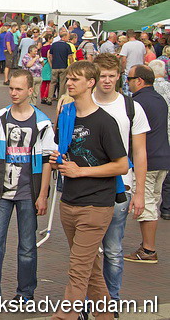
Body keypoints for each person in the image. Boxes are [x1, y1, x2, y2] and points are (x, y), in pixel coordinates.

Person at [49, 61, 128, 320]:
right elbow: (66, 154)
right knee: (91, 270)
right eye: (69, 78)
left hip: (96, 205)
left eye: (76, 79)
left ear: (90, 83)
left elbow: (121, 165)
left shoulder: (105, 122)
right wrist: (58, 161)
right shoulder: (66, 115)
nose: (69, 83)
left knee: (78, 270)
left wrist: (80, 171)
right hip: (69, 202)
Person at [0, 69, 56, 304]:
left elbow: (47, 161)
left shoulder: (42, 122)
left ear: (30, 90)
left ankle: (25, 293)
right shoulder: (0, 117)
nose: (13, 93)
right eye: (11, 88)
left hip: (28, 192)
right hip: (1, 191)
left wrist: (43, 194)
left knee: (27, 246)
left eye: (19, 89)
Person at [90, 53, 149, 303]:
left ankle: (111, 300)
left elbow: (140, 152)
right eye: (102, 76)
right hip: (87, 186)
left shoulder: (131, 108)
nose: (106, 80)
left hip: (119, 186)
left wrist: (140, 192)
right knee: (87, 251)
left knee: (113, 249)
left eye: (111, 76)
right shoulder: (82, 103)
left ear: (118, 77)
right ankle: (87, 299)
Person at [124, 65, 170, 264]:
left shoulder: (137, 102)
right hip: (163, 157)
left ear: (139, 81)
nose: (128, 83)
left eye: (129, 79)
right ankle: (147, 247)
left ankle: (149, 250)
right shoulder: (159, 99)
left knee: (146, 202)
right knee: (153, 200)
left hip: (147, 159)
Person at [47, 31, 74, 104]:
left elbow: (50, 55)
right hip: (63, 66)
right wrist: (72, 66)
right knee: (62, 83)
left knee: (53, 83)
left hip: (55, 66)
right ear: (64, 37)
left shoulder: (54, 45)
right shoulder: (67, 45)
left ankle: (49, 98)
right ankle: (60, 98)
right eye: (67, 37)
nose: (68, 38)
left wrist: (52, 64)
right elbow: (70, 57)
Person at [120, 29, 145, 94]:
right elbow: (143, 58)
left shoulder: (126, 45)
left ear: (127, 36)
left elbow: (123, 60)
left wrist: (122, 70)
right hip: (140, 71)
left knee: (127, 92)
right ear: (134, 35)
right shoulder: (141, 44)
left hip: (128, 72)